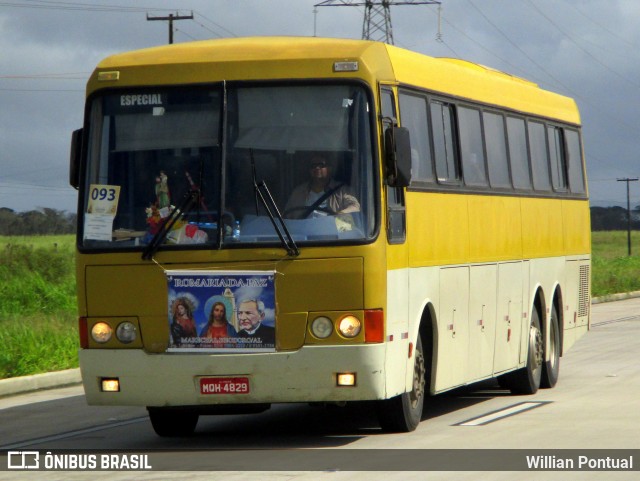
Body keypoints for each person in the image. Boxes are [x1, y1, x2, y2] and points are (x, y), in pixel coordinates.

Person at [284, 154, 360, 219]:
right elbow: (286, 216)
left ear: (330, 169)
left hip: (331, 232)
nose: (317, 168)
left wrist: (340, 214)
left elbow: (355, 207)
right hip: (303, 232)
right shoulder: (298, 192)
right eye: (313, 166)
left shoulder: (342, 190)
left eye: (321, 165)